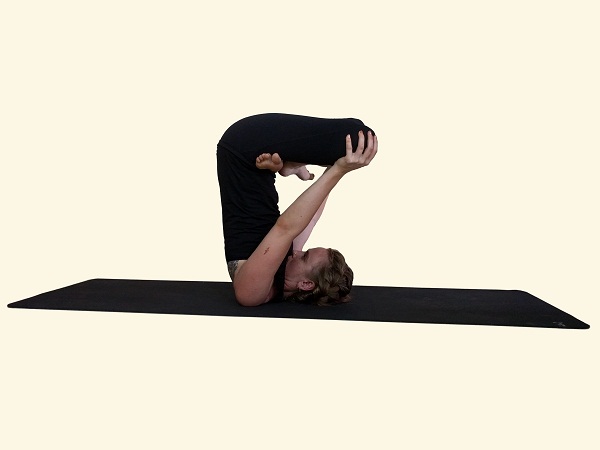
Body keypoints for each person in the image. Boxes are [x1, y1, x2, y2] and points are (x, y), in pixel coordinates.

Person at [216, 113, 377, 306]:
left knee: (360, 138)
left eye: (305, 257)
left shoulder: (253, 293)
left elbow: (286, 228)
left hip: (241, 148)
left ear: (306, 284)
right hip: (257, 164)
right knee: (354, 145)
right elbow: (312, 216)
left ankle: (290, 164)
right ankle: (288, 165)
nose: (297, 252)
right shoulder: (289, 262)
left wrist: (339, 169)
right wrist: (336, 168)